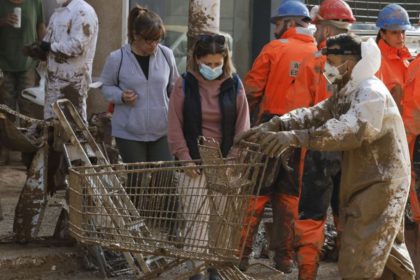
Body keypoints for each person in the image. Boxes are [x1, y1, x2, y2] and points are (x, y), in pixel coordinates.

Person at [237, 33, 416, 279]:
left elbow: (350, 131)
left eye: (332, 60)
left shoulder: (370, 92)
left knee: (359, 257)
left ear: (350, 62)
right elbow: (316, 113)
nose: (327, 67)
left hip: (381, 184)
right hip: (369, 182)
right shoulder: (348, 91)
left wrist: (295, 138)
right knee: (385, 251)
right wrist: (276, 125)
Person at [240, 0, 316, 273]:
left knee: (255, 195)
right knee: (289, 197)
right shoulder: (319, 54)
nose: (275, 29)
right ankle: (284, 258)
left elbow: (251, 89)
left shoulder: (274, 49)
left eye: (278, 23)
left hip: (269, 128)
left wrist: (244, 129)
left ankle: (241, 256)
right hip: (301, 135)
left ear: (290, 23)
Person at [13, 0, 98, 243]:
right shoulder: (58, 12)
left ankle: (75, 209)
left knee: (74, 147)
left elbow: (76, 46)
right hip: (53, 84)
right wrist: (39, 50)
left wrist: (49, 46)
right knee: (49, 140)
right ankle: (49, 187)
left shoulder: (83, 11)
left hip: (72, 86)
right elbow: (51, 44)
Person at [167, 33, 250, 280]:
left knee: (220, 220)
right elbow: (174, 125)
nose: (213, 68)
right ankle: (197, 272)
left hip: (224, 163)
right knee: (196, 219)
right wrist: (185, 159)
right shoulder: (184, 84)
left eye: (218, 63)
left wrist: (233, 160)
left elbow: (243, 126)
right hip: (192, 163)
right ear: (196, 60)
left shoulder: (234, 84)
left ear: (225, 60)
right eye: (208, 63)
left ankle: (214, 269)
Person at [284, 0, 355, 278]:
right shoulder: (363, 65)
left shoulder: (315, 63)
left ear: (325, 28)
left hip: (320, 150)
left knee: (312, 214)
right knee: (348, 211)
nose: (314, 32)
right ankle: (349, 268)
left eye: (317, 27)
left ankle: (308, 272)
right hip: (351, 147)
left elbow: (300, 110)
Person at [101, 5, 178, 164]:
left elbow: (174, 88)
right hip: (129, 132)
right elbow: (106, 86)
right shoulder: (117, 58)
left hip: (161, 130)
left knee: (164, 179)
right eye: (149, 40)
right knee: (137, 181)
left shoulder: (166, 55)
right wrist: (121, 96)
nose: (153, 45)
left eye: (157, 39)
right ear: (136, 35)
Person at [0, 0, 45, 163]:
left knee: (27, 111)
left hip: (27, 64)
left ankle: (27, 155)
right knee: (6, 110)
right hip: (4, 64)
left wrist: (44, 52)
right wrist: (3, 21)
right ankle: (5, 153)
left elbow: (40, 26)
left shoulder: (35, 2)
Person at [375, 3, 411, 113]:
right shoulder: (376, 62)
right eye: (394, 32)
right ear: (383, 34)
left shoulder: (405, 59)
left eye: (403, 32)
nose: (401, 37)